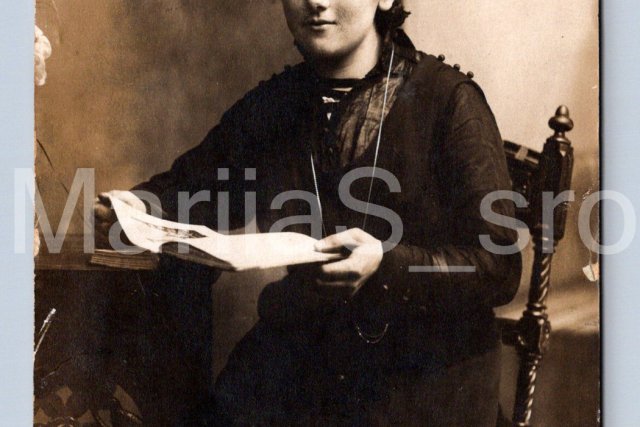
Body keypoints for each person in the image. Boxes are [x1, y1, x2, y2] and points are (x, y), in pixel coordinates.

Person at [96, 0, 521, 425]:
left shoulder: (450, 101)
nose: (316, 2)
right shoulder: (274, 104)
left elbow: (498, 266)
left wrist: (386, 264)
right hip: (304, 365)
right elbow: (194, 189)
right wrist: (136, 207)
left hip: (424, 380)